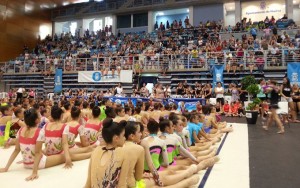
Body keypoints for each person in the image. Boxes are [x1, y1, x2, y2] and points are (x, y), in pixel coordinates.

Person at [85, 118, 129, 187]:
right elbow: (122, 185)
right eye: (123, 135)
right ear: (116, 138)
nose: (125, 138)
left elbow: (88, 183)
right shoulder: (123, 154)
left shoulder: (96, 150)